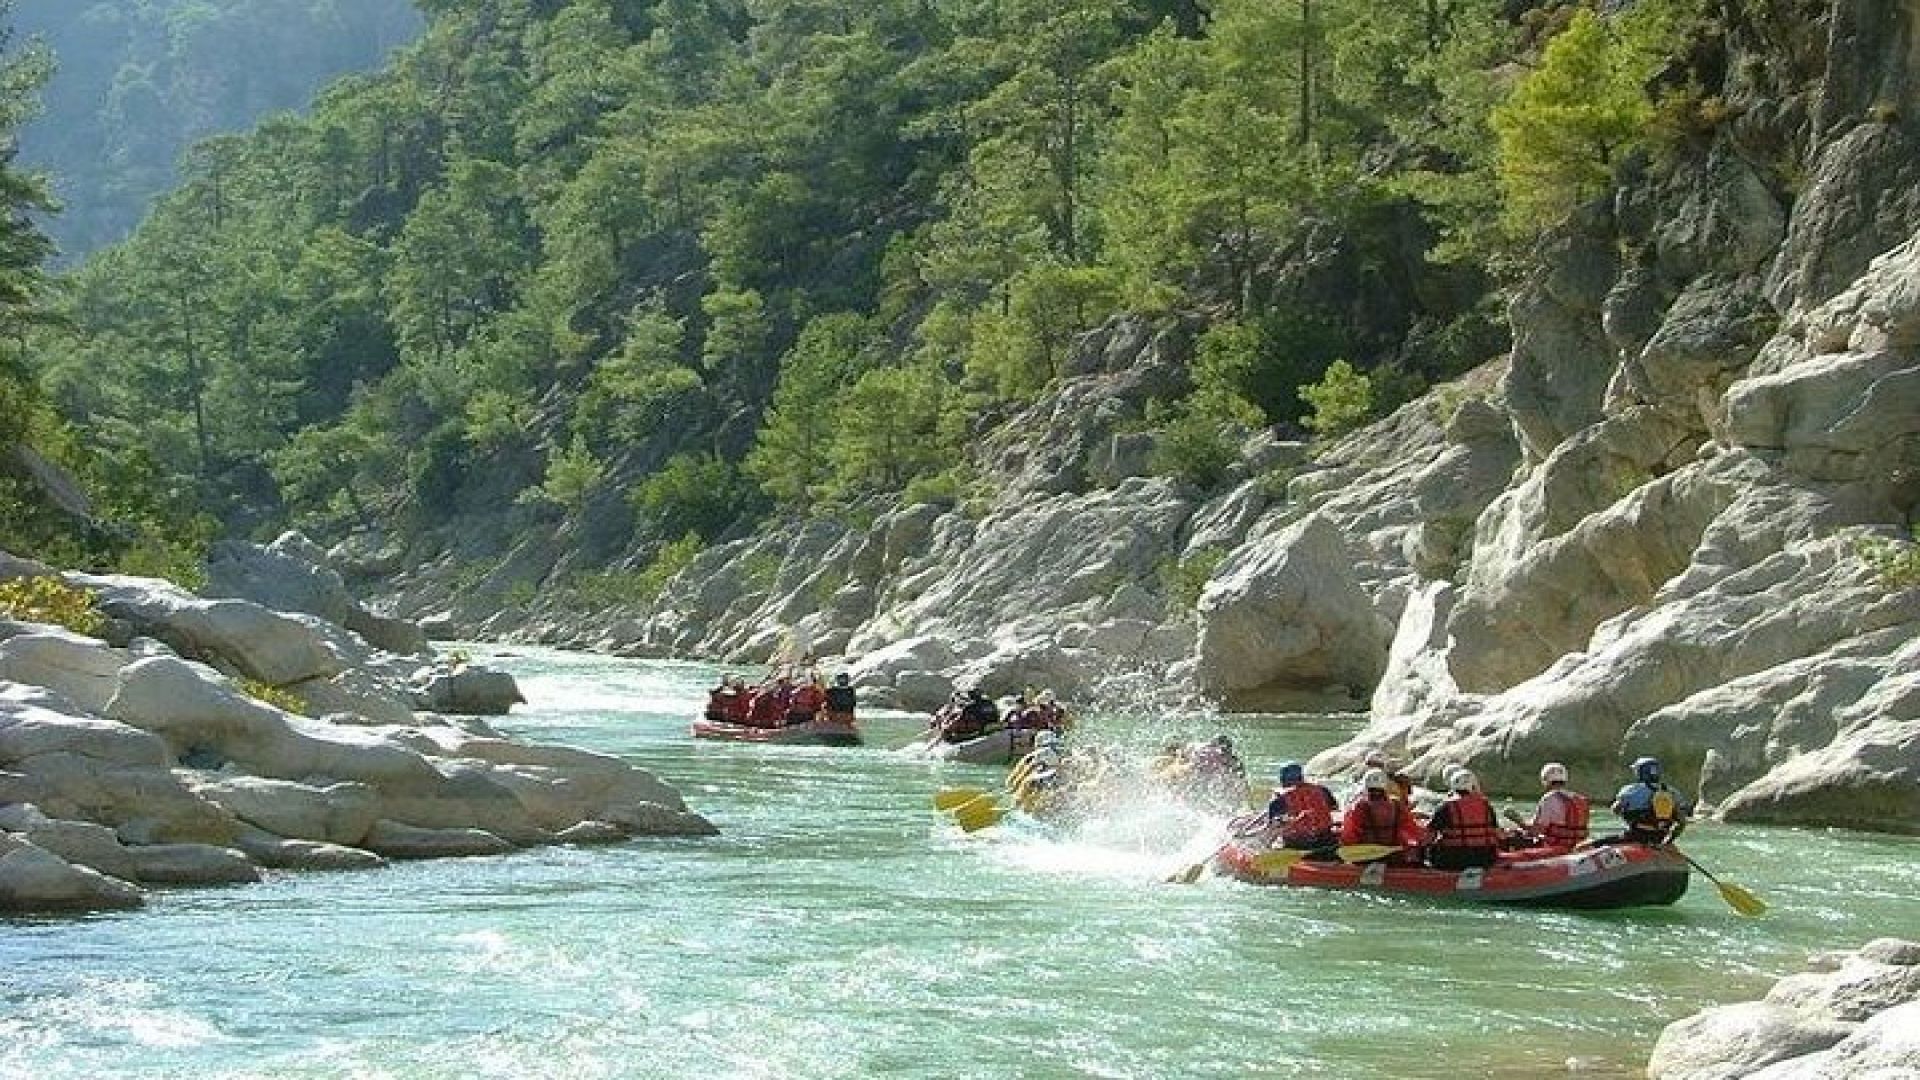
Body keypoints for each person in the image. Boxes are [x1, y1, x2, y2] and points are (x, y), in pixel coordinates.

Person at [1424, 768, 1500, 870]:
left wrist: (1420, 848)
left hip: (1455, 859)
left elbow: (1429, 837)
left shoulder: (1446, 807)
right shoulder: (1486, 805)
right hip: (1486, 858)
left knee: (1430, 849)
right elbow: (1497, 832)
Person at [1339, 768, 1422, 861]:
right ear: (1385, 787)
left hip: (1365, 857)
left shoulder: (1357, 807)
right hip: (1394, 856)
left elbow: (1348, 835)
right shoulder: (1397, 805)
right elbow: (1413, 831)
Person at [1509, 762, 1589, 853]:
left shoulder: (1548, 799)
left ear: (1545, 780)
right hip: (1577, 846)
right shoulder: (1581, 799)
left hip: (1554, 848)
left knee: (1512, 837)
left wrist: (1518, 821)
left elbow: (1535, 831)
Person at [1610, 756, 1689, 844]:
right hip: (1659, 838)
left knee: (1596, 844)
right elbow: (1681, 822)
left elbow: (1615, 809)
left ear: (1640, 772)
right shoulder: (1673, 793)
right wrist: (1668, 841)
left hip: (1634, 836)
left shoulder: (1629, 790)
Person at [1265, 761, 1338, 851]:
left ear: (1282, 780)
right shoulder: (1322, 790)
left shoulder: (1279, 799)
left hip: (1299, 845)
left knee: (1277, 836)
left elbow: (1273, 828)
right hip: (1327, 840)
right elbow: (1334, 808)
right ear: (1301, 777)